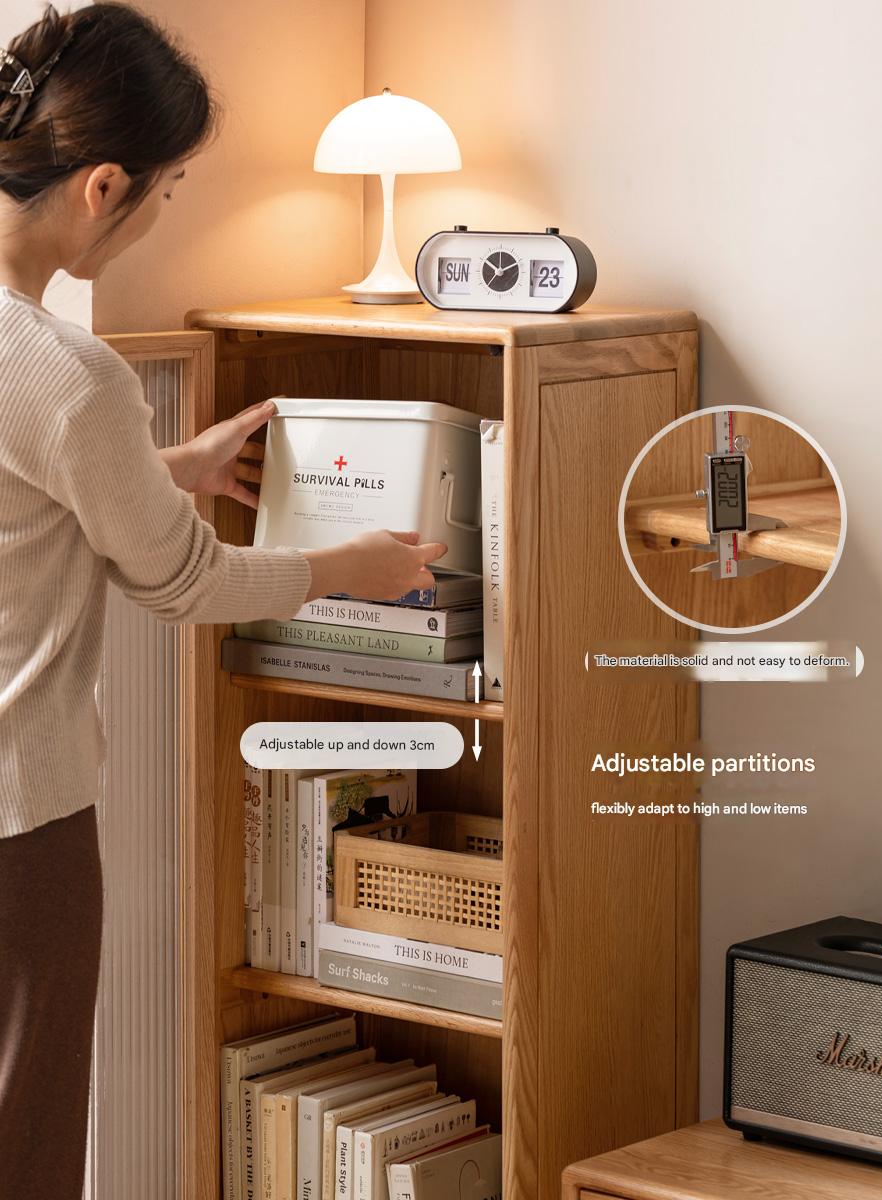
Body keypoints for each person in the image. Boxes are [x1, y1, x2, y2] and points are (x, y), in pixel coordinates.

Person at [0, 6, 446, 1198]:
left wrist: (165, 470)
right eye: (168, 187)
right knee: (25, 1128)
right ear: (103, 185)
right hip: (17, 822)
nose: (162, 212)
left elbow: (23, 505)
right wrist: (351, 569)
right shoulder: (65, 374)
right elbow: (186, 580)